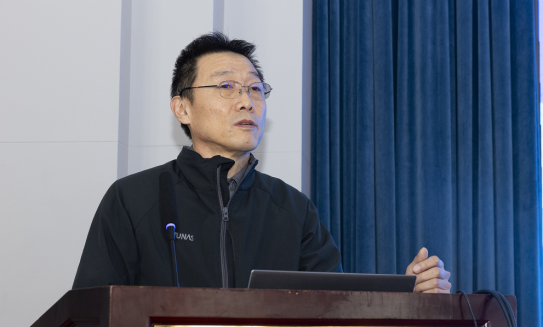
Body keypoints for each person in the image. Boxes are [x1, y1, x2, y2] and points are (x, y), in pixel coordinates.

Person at [72, 32, 451, 294]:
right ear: (182, 108)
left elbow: (336, 313)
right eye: (226, 87)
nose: (247, 101)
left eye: (255, 88)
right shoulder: (133, 199)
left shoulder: (292, 208)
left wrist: (407, 296)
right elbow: (93, 317)